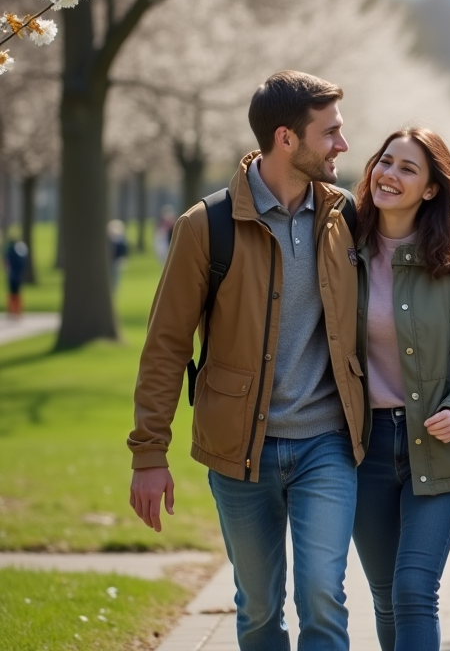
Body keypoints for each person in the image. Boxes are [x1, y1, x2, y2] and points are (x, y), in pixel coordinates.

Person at [128, 70, 365, 651]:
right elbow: (166, 344)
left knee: (322, 598)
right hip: (240, 453)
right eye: (330, 132)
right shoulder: (205, 226)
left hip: (327, 446)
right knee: (258, 610)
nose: (343, 144)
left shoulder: (347, 217)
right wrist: (148, 454)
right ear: (287, 139)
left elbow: (410, 265)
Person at [351, 127, 450, 651]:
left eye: (408, 168)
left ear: (432, 189)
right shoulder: (341, 252)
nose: (389, 175)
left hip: (439, 450)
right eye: (385, 162)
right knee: (387, 596)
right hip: (364, 451)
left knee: (415, 590)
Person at [4, 228, 28, 318]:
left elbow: (6, 262)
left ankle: (14, 311)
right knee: (15, 293)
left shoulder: (10, 249)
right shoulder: (20, 249)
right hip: (17, 274)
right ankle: (15, 311)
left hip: (13, 274)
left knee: (13, 293)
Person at [108, 219, 129, 293]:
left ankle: (114, 291)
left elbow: (124, 251)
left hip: (116, 261)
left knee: (115, 278)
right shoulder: (110, 240)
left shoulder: (121, 240)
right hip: (110, 261)